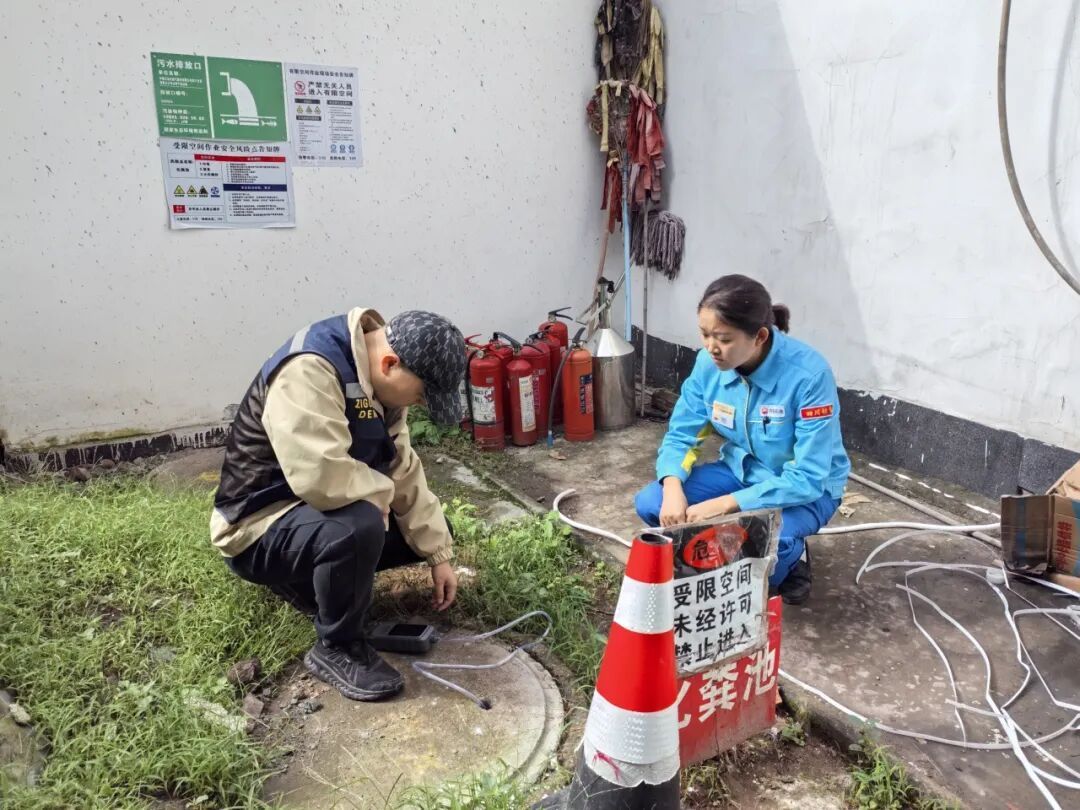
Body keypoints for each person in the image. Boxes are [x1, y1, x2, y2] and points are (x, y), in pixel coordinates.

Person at [210, 307, 467, 701]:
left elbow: (401, 467)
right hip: (258, 528)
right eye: (420, 395)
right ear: (390, 364)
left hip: (312, 515)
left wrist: (439, 555)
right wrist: (379, 496)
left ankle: (309, 585)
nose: (418, 405)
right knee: (359, 524)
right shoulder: (308, 369)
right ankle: (338, 647)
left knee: (424, 529)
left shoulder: (379, 385)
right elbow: (320, 475)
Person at [634, 275, 850, 604]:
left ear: (760, 336)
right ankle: (720, 561)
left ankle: (793, 558)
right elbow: (682, 434)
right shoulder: (707, 365)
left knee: (766, 544)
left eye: (723, 339)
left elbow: (808, 477)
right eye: (704, 334)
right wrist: (673, 487)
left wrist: (725, 505)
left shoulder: (808, 376)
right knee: (653, 503)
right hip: (741, 471)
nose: (711, 348)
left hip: (806, 491)